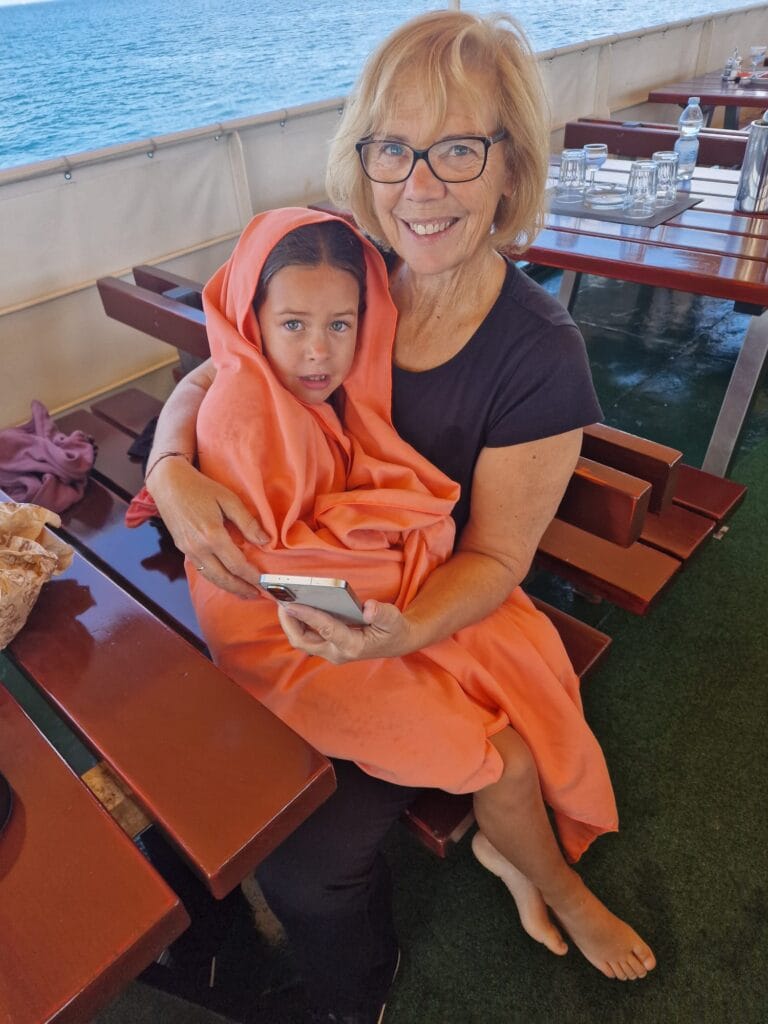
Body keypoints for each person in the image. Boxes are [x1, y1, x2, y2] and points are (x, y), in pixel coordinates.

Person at [141, 11, 657, 1021]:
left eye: (458, 149)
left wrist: (399, 630)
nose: (419, 187)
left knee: (308, 860)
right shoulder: (360, 272)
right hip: (316, 597)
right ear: (364, 158)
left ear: (511, 166)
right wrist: (167, 468)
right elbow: (223, 365)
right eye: (394, 148)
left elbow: (498, 557)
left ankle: (543, 887)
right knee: (187, 767)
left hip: (431, 605)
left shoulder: (539, 353)